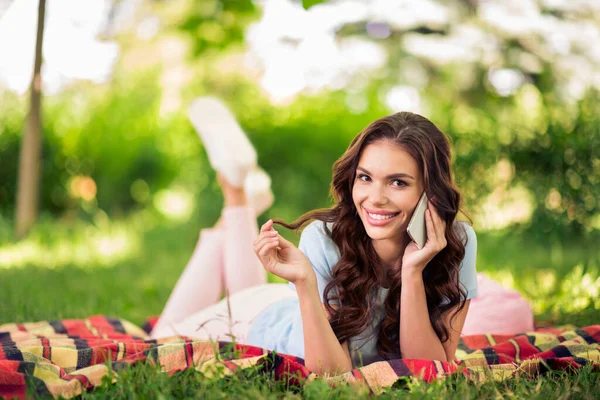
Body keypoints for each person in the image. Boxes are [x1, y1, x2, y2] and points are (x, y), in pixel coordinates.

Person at [151, 102, 534, 375]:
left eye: (398, 183)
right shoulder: (325, 238)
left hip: (284, 308)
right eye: (365, 178)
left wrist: (414, 270)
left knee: (242, 283)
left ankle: (238, 201)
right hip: (258, 321)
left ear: (429, 193)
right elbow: (331, 374)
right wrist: (303, 282)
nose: (375, 198)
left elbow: (430, 367)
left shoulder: (457, 241)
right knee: (158, 339)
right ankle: (235, 199)